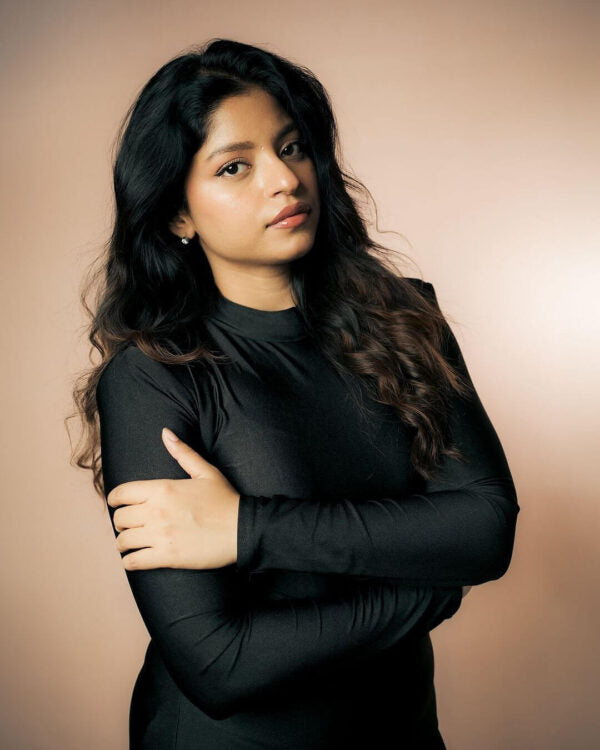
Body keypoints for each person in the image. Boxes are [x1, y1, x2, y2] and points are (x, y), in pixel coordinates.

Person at [69, 38, 519, 749]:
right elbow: (220, 665)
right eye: (235, 166)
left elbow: (486, 529)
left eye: (292, 147)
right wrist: (432, 589)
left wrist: (245, 528)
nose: (284, 180)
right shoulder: (154, 376)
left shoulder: (404, 318)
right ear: (178, 213)